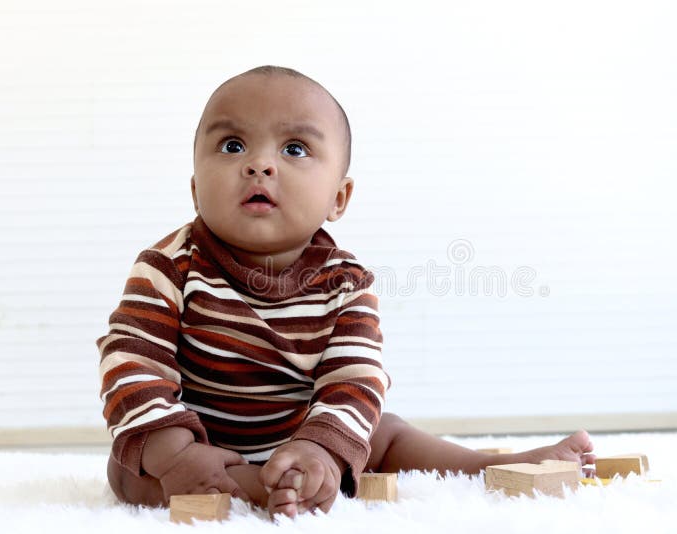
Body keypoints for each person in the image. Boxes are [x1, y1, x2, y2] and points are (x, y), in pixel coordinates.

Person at [98, 65, 595, 519]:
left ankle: (483, 465)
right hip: (200, 438)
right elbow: (132, 362)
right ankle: (254, 484)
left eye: (294, 149)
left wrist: (321, 448)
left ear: (338, 198)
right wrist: (176, 453)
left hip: (304, 433)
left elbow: (355, 379)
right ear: (194, 189)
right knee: (131, 470)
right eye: (232, 146)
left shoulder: (345, 282)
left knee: (383, 430)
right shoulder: (170, 266)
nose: (259, 165)